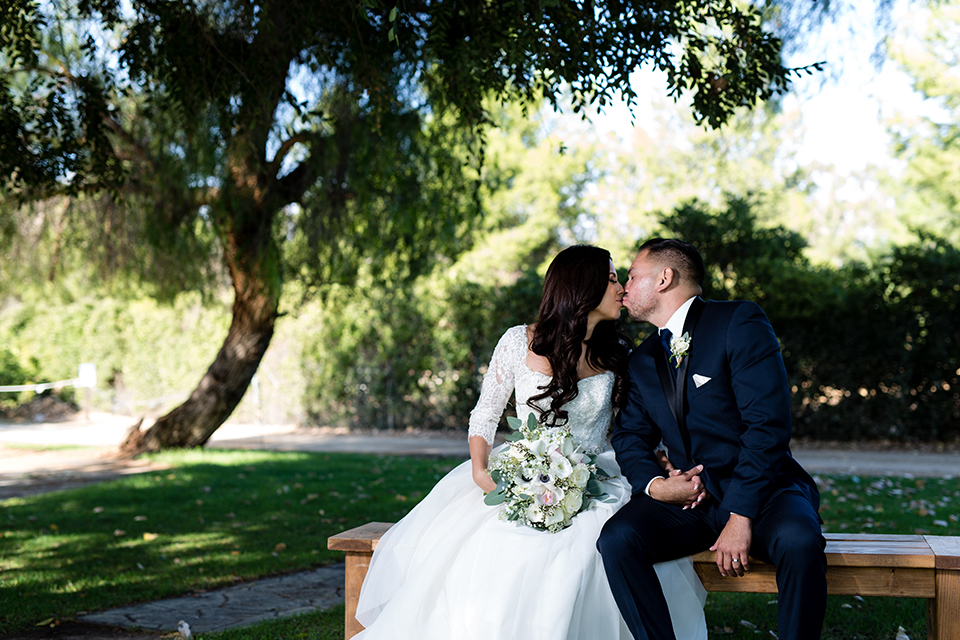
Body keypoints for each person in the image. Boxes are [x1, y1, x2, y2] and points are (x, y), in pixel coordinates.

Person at [353, 244, 708, 640]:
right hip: (522, 473)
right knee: (508, 548)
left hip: (599, 476)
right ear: (582, 287)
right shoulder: (517, 341)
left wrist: (656, 459)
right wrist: (480, 470)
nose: (621, 288)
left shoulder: (619, 351)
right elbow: (485, 415)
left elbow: (632, 429)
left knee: (596, 547)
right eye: (611, 279)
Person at [598, 238, 827, 640]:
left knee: (799, 542)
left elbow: (767, 426)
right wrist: (656, 486)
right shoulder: (642, 358)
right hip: (693, 503)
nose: (625, 287)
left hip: (765, 493)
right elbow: (630, 435)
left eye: (633, 276)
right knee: (618, 539)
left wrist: (741, 516)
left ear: (665, 278)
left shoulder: (739, 322)